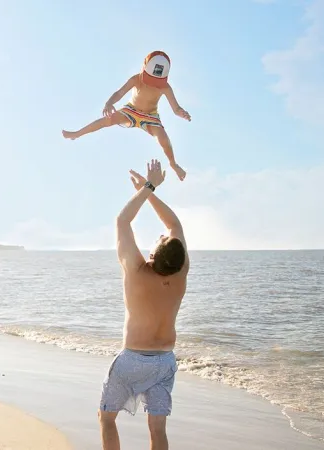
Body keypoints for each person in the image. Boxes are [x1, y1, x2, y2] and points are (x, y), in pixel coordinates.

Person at [99, 159, 189, 450]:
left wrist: (148, 187)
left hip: (133, 360)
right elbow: (174, 225)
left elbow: (122, 221)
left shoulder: (137, 272)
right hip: (164, 361)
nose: (163, 234)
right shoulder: (180, 272)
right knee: (158, 429)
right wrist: (149, 191)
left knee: (107, 418)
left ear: (153, 254)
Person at [62, 51, 191, 181]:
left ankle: (173, 164)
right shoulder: (136, 79)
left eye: (156, 82)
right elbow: (119, 93)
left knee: (163, 138)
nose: (153, 84)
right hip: (131, 110)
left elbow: (176, 108)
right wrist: (109, 103)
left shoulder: (165, 87)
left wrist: (182, 113)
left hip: (150, 116)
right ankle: (77, 134)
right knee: (108, 120)